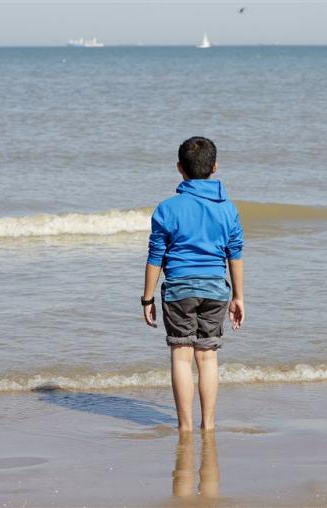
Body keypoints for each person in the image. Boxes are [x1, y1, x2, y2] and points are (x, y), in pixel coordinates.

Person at [142, 136, 245, 432]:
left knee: (181, 355)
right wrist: (238, 297)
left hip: (179, 289)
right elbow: (234, 254)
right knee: (208, 356)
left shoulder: (167, 209)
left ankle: (185, 427)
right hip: (215, 288)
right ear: (215, 167)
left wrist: (147, 299)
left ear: (179, 169)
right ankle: (208, 425)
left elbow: (155, 256)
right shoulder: (228, 209)